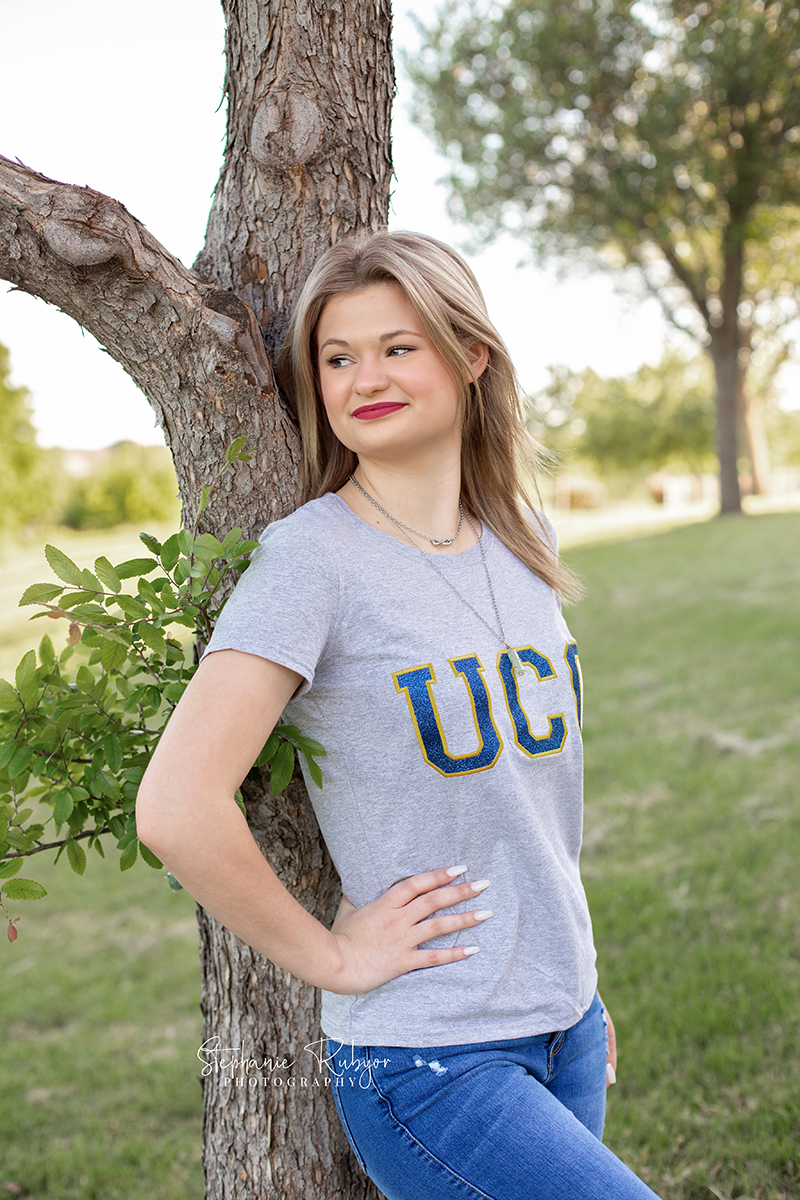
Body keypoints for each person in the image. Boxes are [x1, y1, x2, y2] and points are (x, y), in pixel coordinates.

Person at [135, 231, 661, 1199]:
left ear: (470, 358)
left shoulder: (521, 536)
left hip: (565, 1023)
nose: (361, 377)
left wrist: (570, 983)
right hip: (430, 1058)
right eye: (337, 358)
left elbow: (522, 805)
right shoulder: (312, 560)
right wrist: (331, 956)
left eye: (396, 347)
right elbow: (175, 805)